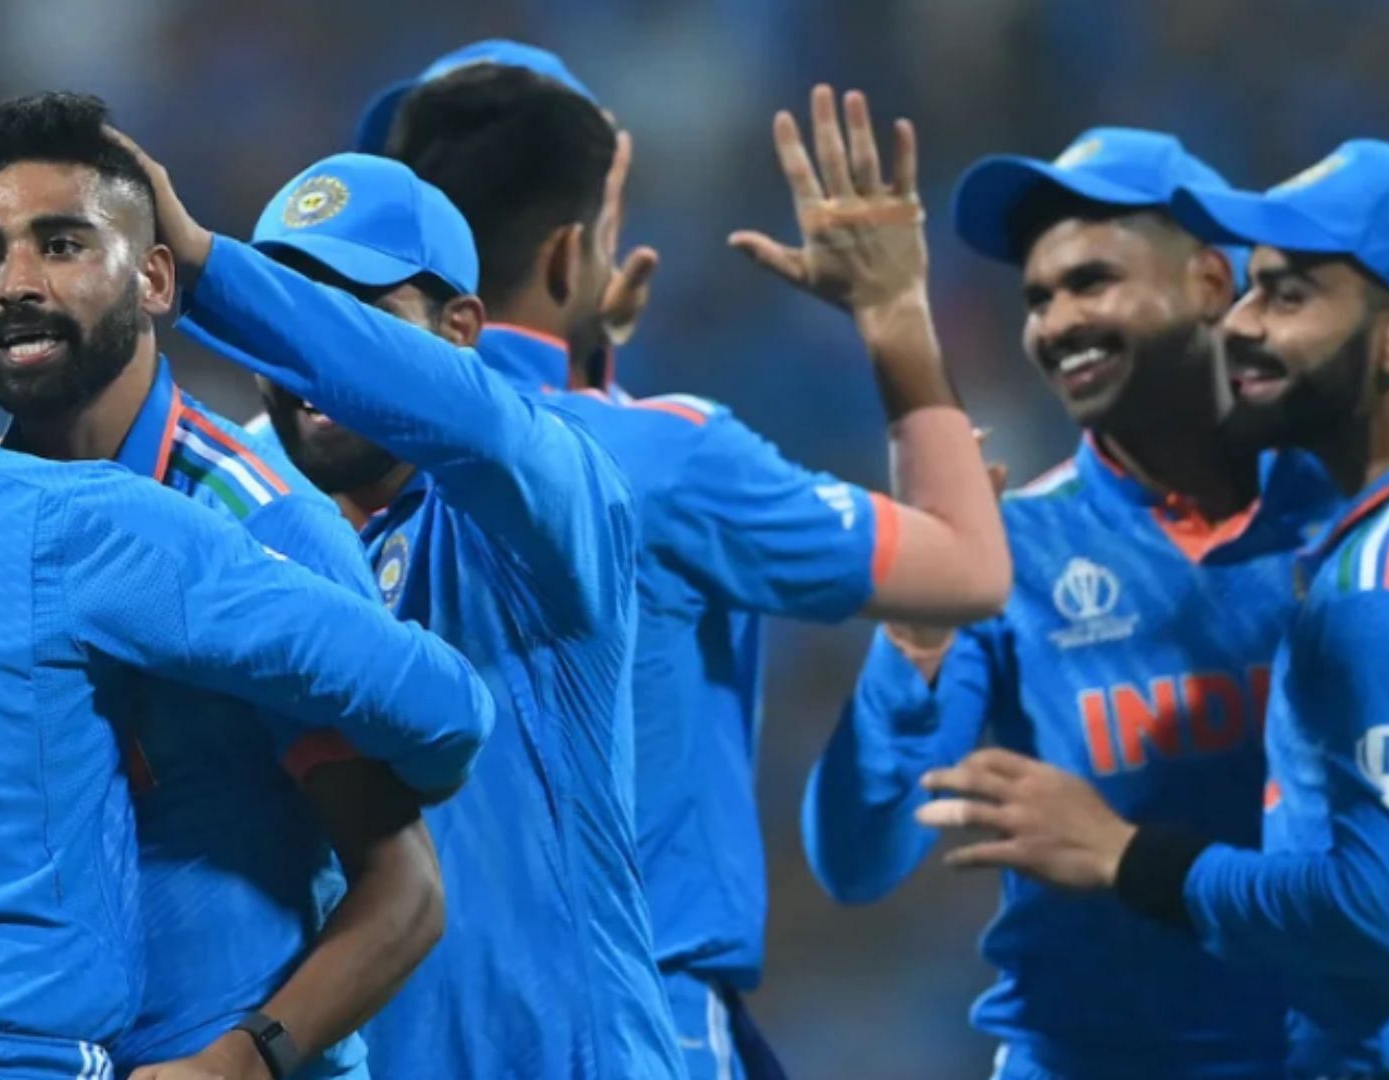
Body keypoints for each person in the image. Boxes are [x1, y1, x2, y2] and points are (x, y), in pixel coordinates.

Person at [0, 165, 491, 1079]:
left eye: (59, 245)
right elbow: (440, 702)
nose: (21, 282)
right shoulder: (64, 521)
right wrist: (442, 750)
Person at [378, 65, 1011, 1077]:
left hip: (406, 1025)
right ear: (571, 248)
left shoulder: (322, 457)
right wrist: (893, 311)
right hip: (634, 1019)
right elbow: (968, 566)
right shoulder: (662, 457)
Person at [927, 140, 1389, 1076]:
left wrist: (1126, 854)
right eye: (1250, 289)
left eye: (1287, 297)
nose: (1239, 324)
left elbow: (1383, 913)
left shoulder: (1382, 589)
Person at [111, 129, 677, 1078]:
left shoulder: (548, 498)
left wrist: (211, 269)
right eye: (294, 309)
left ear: (459, 329)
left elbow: (472, 420)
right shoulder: (243, 533)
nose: (310, 354)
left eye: (359, 310)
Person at [801, 128, 1341, 1079]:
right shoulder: (1005, 552)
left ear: (1212, 284)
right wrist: (915, 636)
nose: (1054, 323)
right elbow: (858, 855)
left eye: (1091, 283)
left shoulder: (1352, 516)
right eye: (1038, 299)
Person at [0, 92, 446, 1080]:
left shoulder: (262, 528)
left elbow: (406, 890)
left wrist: (238, 1064)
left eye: (63, 244)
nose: (16, 284)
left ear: (157, 280)